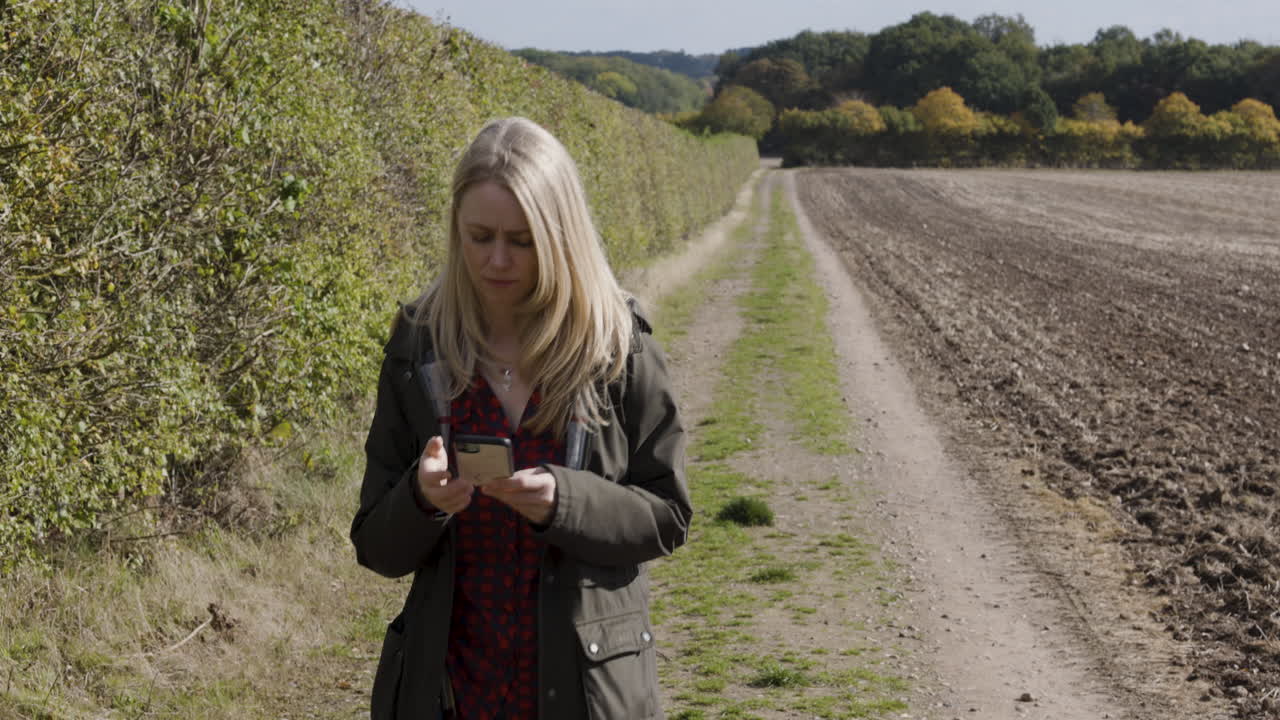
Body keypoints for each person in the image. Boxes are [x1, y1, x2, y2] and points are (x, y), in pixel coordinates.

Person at [351, 116, 692, 720]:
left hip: (584, 692)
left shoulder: (617, 346)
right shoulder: (418, 344)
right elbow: (376, 547)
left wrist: (567, 502)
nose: (498, 260)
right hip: (451, 687)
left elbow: (667, 516)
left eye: (523, 240)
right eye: (480, 237)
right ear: (455, 230)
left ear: (562, 236)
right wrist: (423, 498)